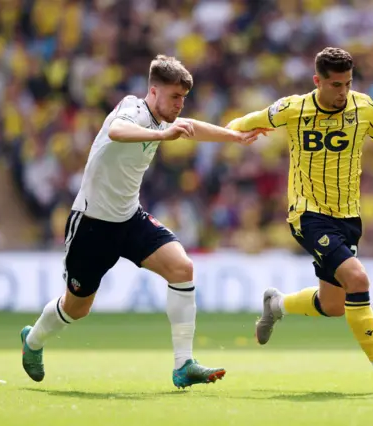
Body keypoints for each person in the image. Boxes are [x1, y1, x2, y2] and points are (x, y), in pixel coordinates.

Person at [20, 55, 268, 389]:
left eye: (183, 98)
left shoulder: (162, 120)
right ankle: (33, 341)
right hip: (92, 225)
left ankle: (183, 365)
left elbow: (192, 127)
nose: (180, 105)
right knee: (76, 308)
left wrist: (233, 137)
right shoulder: (132, 109)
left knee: (182, 268)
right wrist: (165, 138)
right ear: (153, 91)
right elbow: (117, 131)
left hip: (129, 219)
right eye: (174, 97)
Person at [227, 47, 373, 393]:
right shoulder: (294, 108)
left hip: (349, 216)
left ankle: (276, 304)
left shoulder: (364, 107)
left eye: (348, 83)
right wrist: (238, 134)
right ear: (318, 81)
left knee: (334, 305)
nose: (343, 92)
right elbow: (242, 123)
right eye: (336, 85)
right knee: (358, 278)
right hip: (307, 214)